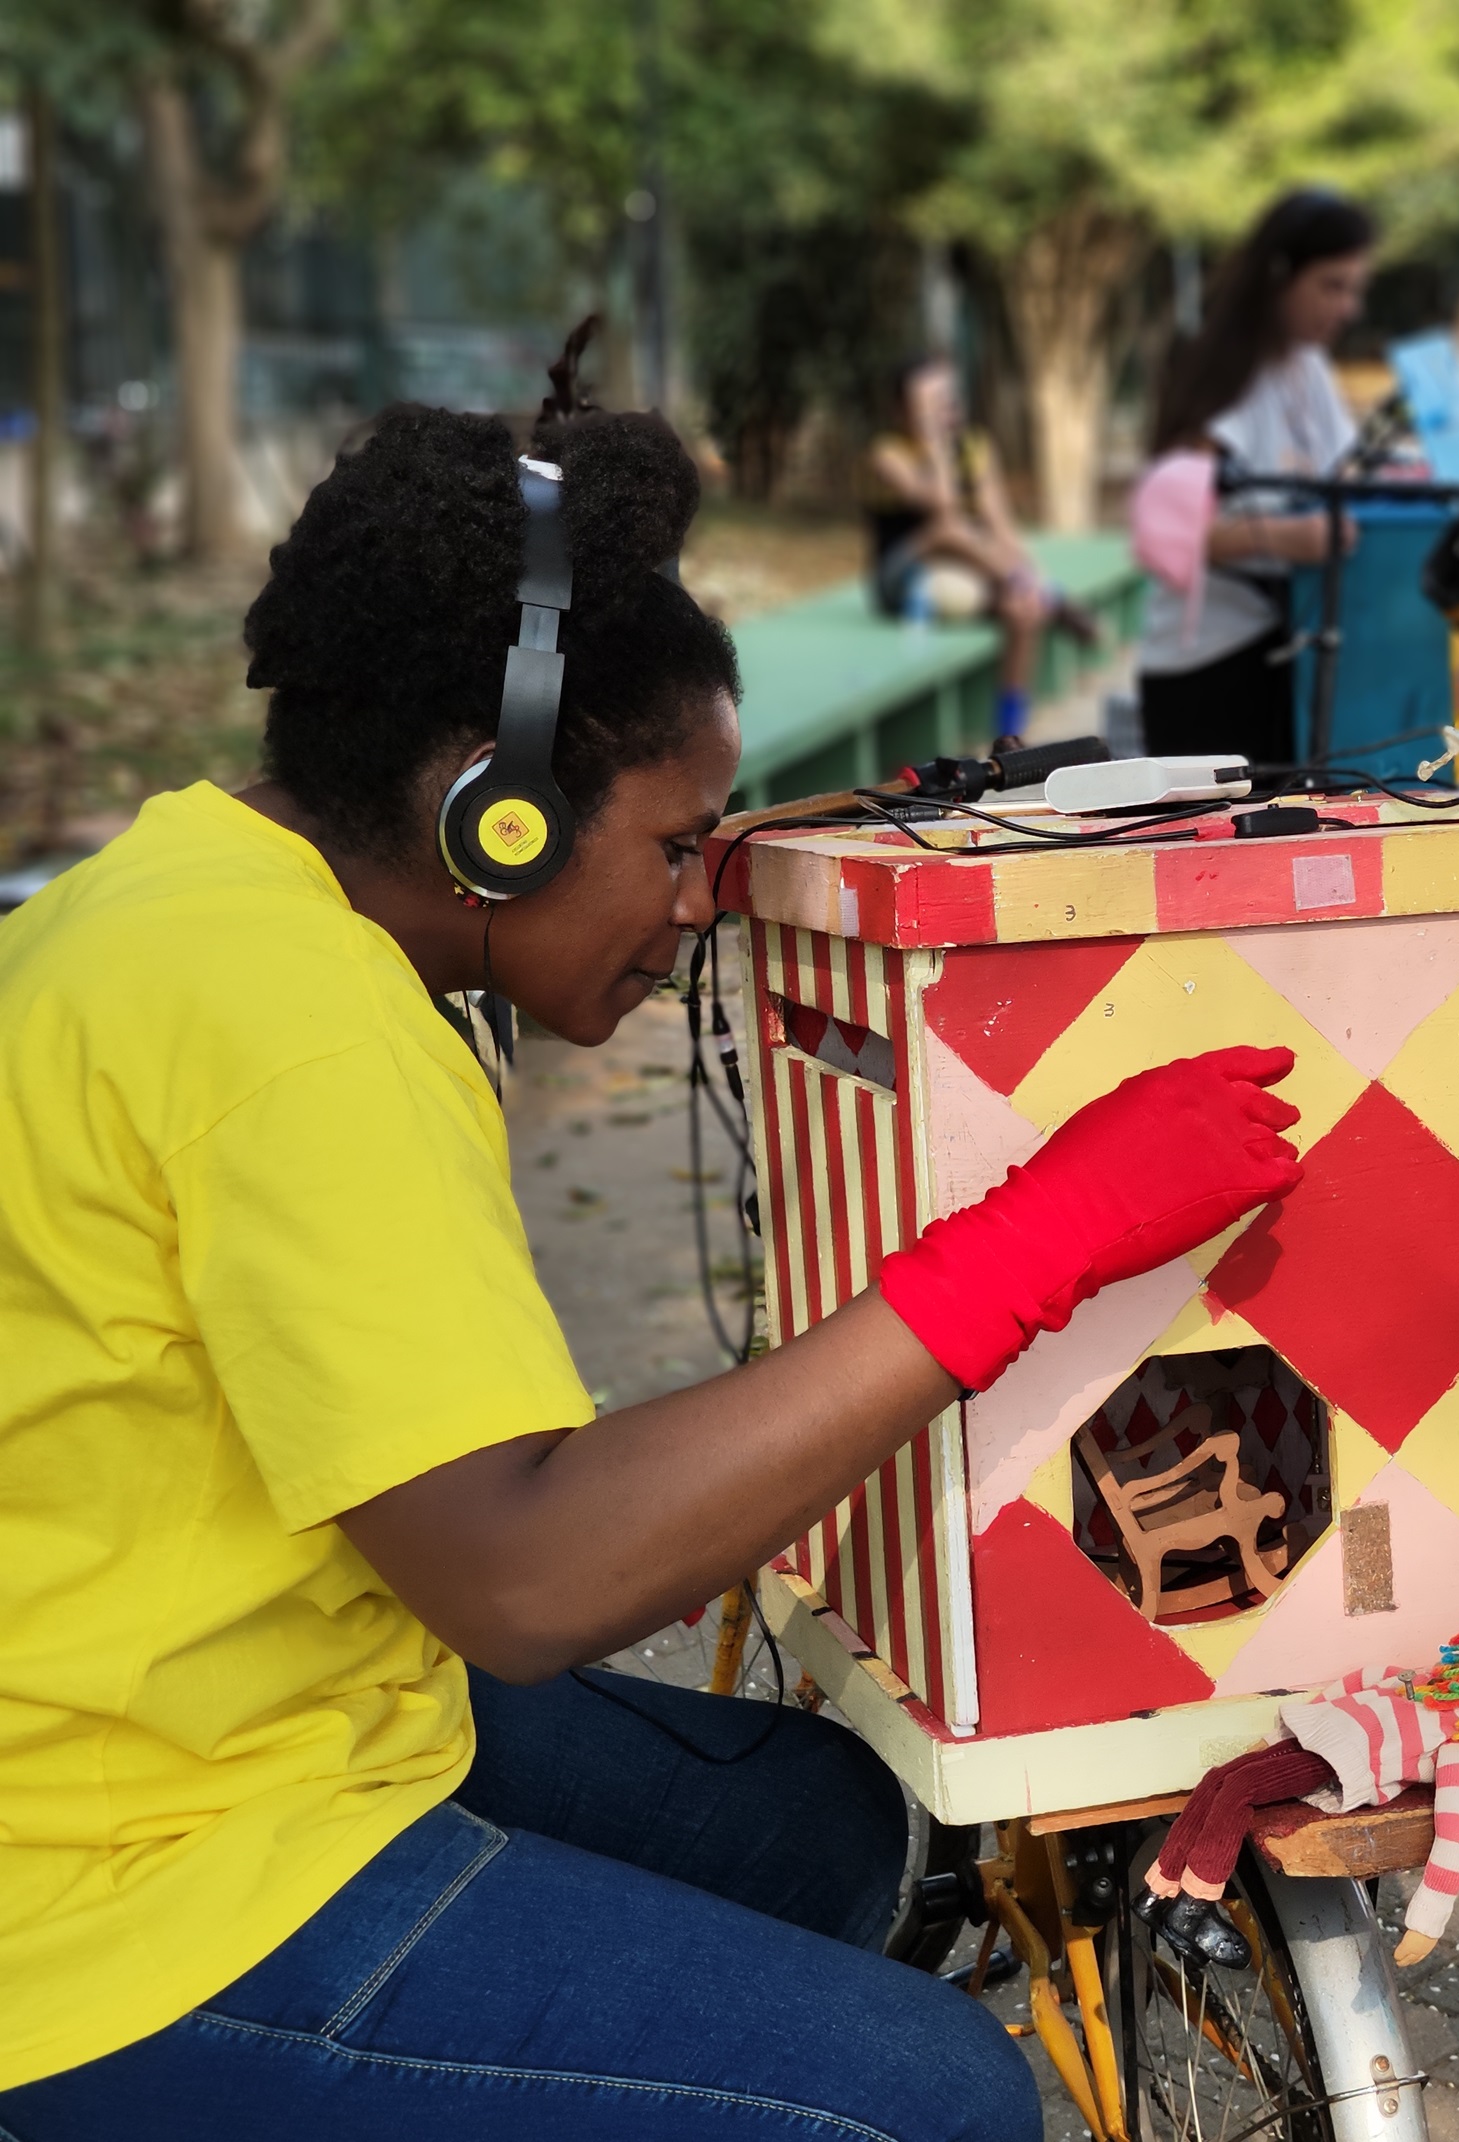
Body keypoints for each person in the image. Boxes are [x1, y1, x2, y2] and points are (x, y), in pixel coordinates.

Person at [0, 378, 1306, 2132]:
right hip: (113, 1891)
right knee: (934, 2100)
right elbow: (531, 1584)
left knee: (828, 1828)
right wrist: (1050, 1232)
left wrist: (683, 1487)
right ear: (498, 811)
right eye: (680, 845)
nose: (699, 902)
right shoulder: (294, 1023)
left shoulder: (192, 889)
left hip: (214, 1690)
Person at [1135, 189, 1375, 769]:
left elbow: (1347, 473)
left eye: (1355, 289)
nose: (1348, 308)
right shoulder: (1224, 373)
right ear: (1277, 274)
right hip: (1209, 668)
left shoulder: (1311, 366)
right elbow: (1178, 531)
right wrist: (1289, 538)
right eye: (1332, 286)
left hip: (1283, 650)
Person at [861, 354, 1097, 744]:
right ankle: (1049, 595)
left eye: (949, 400)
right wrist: (935, 445)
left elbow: (1000, 525)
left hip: (965, 576)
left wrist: (1029, 574)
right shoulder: (888, 454)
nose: (944, 411)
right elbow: (942, 506)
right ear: (902, 411)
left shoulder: (976, 448)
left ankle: (1009, 731)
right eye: (929, 405)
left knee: (1021, 610)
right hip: (901, 579)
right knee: (947, 528)